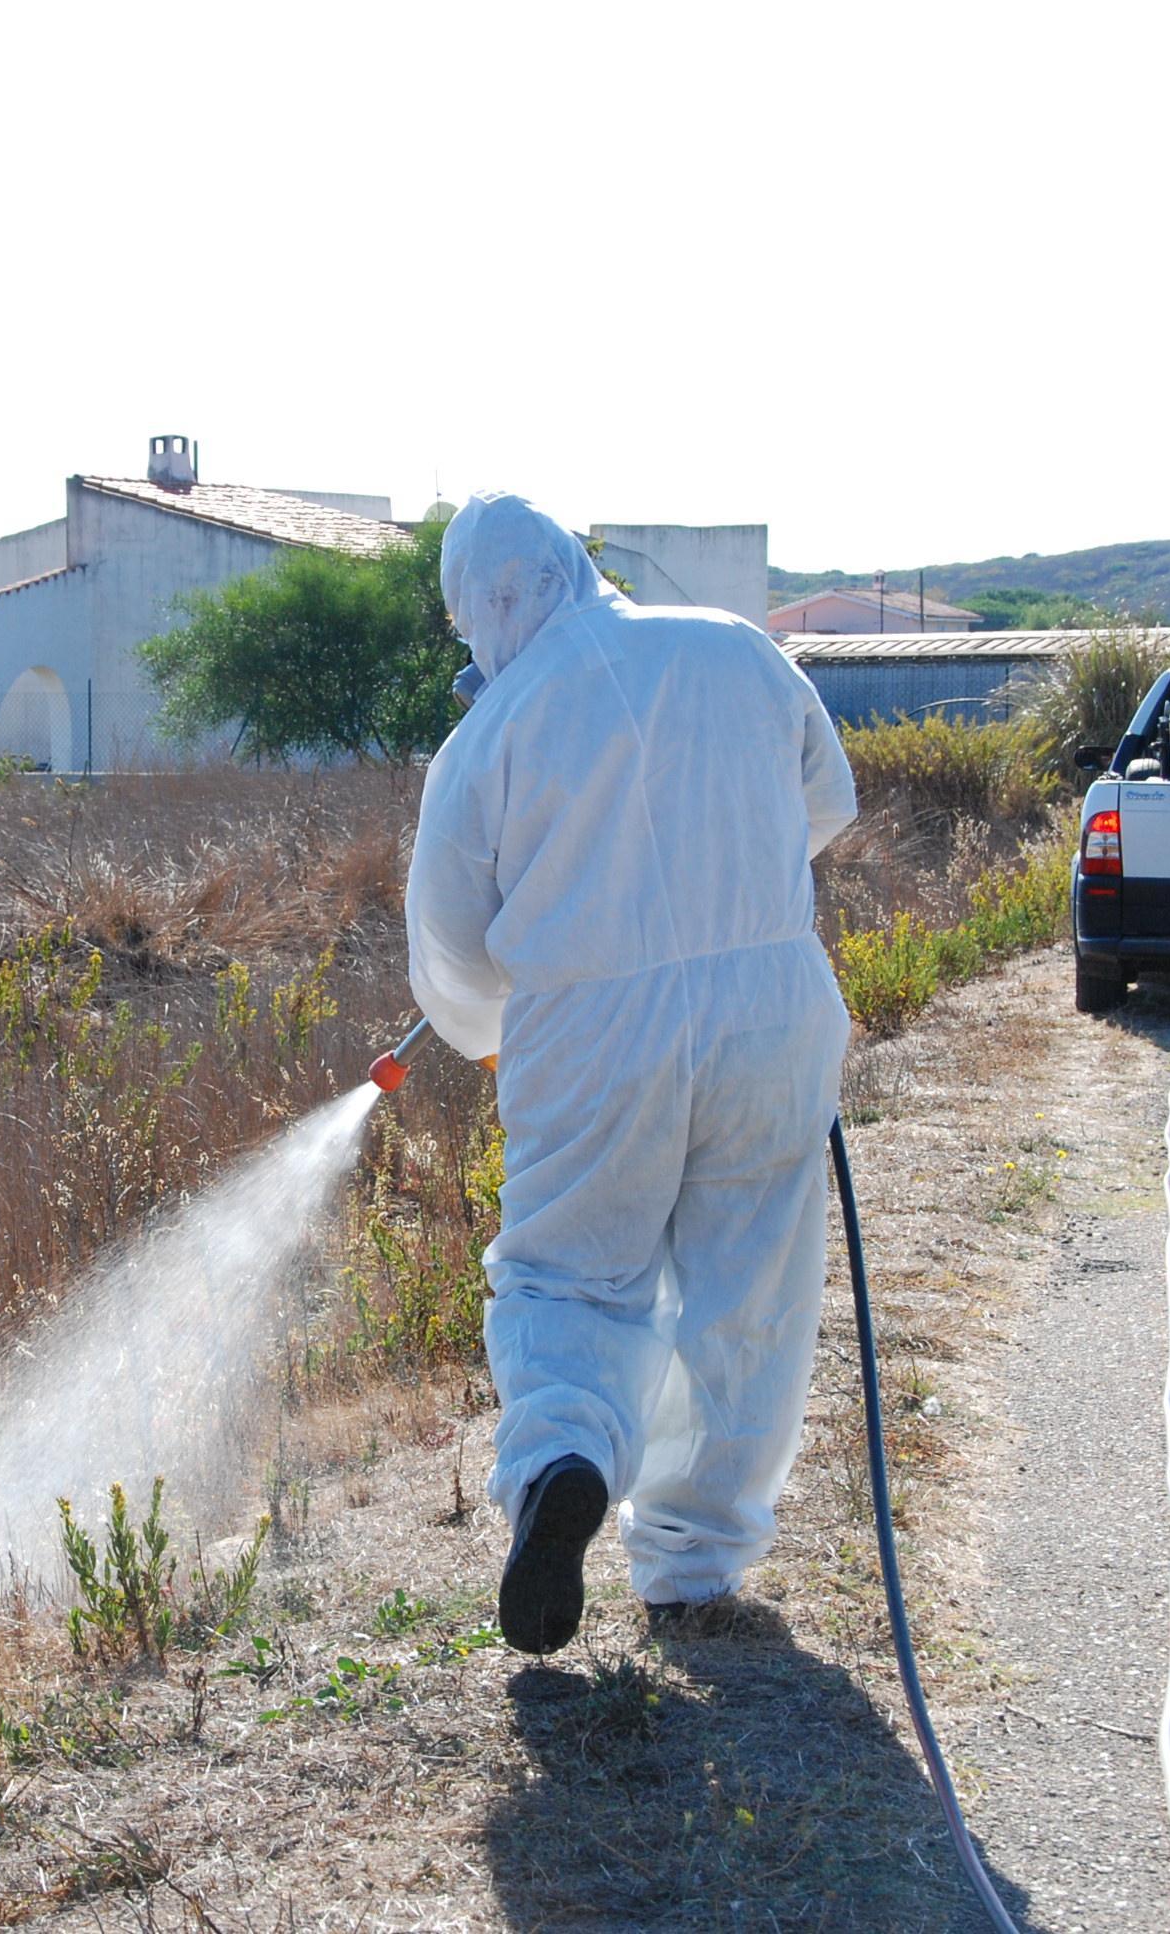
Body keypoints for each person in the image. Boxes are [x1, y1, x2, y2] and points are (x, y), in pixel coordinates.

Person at [404, 491, 858, 1654]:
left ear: (480, 609)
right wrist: (720, 874)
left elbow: (452, 950)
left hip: (592, 1033)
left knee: (566, 1277)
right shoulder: (736, 647)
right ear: (572, 564)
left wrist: (496, 1022)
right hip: (772, 1006)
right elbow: (825, 802)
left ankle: (563, 1459)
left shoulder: (488, 733)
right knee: (745, 1281)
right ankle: (690, 1569)